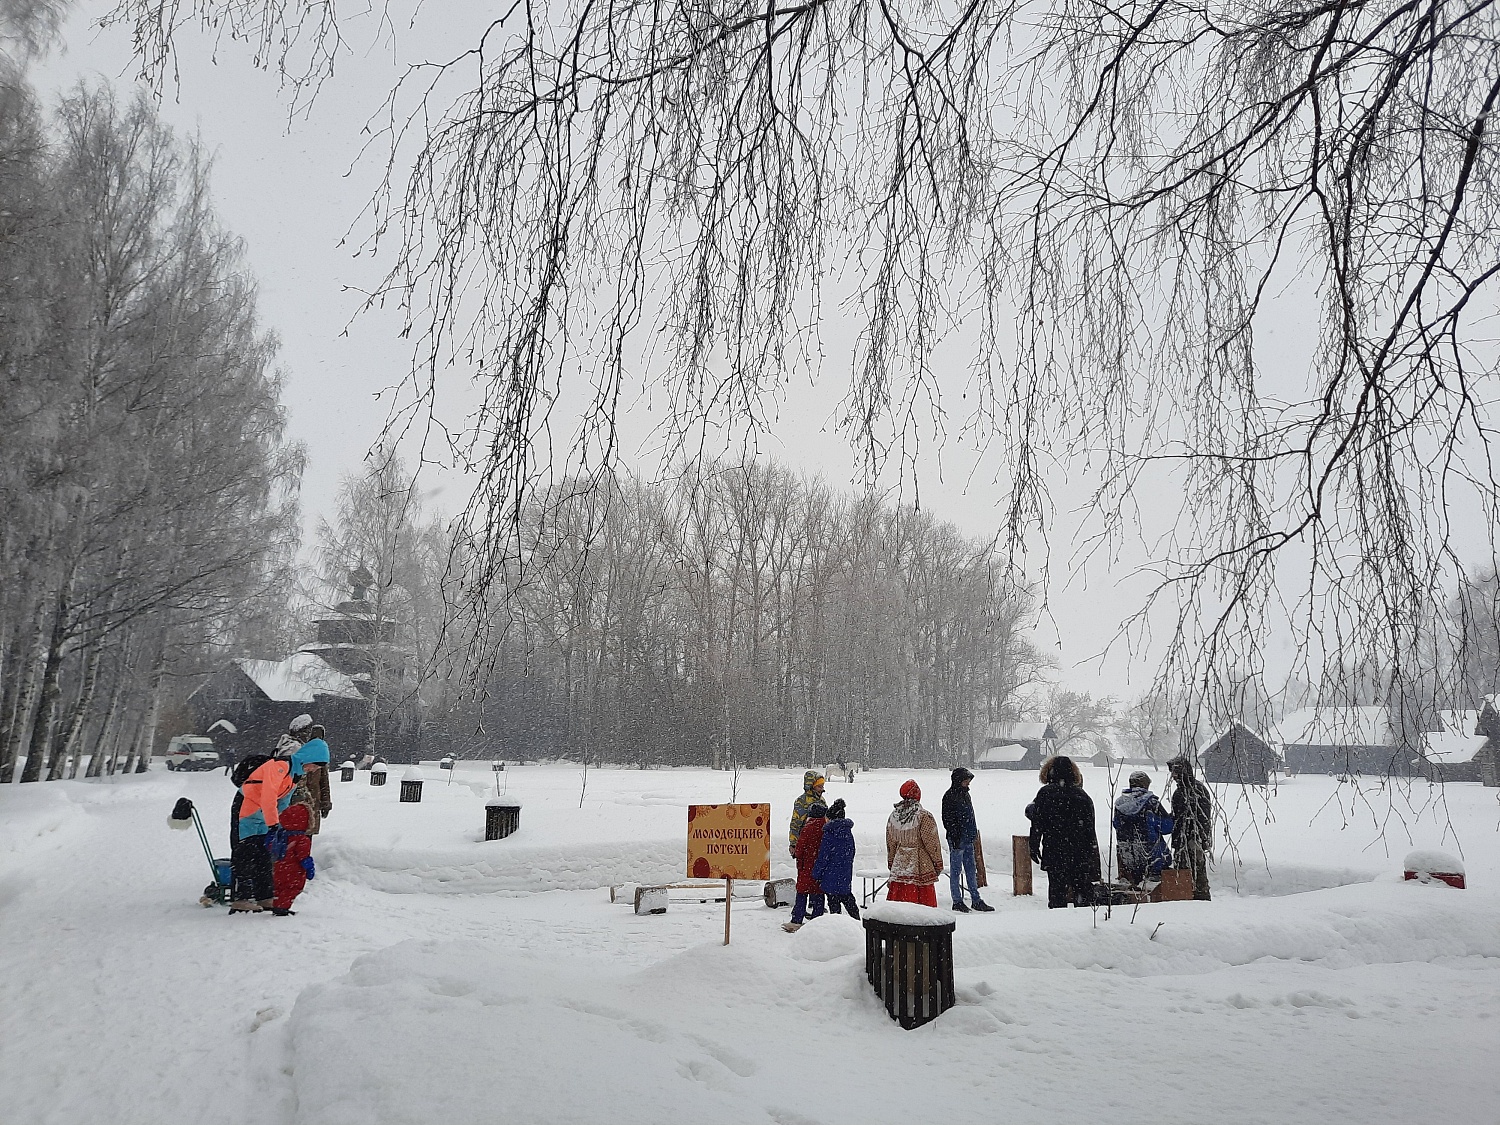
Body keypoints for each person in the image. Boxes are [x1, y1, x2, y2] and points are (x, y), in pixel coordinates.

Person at [1028, 755, 1102, 908]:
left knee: (1057, 894)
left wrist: (1033, 846)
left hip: (1054, 851)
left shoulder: (1045, 794)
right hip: (1079, 853)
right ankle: (1082, 926)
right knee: (1081, 892)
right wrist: (1091, 854)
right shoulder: (1083, 796)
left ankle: (1058, 925)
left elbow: (1037, 824)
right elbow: (1090, 830)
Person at [230, 755, 294, 913]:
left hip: (262, 812)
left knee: (263, 853)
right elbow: (268, 796)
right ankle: (241, 898)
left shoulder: (292, 774)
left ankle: (264, 896)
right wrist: (273, 820)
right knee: (244, 852)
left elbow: (282, 800)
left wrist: (277, 820)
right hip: (247, 807)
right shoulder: (279, 769)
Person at [941, 767, 994, 913]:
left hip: (968, 838)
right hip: (957, 840)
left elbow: (970, 816)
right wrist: (956, 836)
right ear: (958, 781)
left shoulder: (965, 795)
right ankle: (957, 901)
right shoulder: (949, 796)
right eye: (966, 781)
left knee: (971, 870)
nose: (968, 784)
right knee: (956, 871)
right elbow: (947, 820)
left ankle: (976, 899)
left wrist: (972, 834)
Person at [885, 780, 944, 907]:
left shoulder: (894, 816)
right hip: (919, 864)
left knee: (899, 902)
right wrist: (937, 863)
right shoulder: (924, 816)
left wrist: (892, 862)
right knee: (921, 903)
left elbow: (891, 843)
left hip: (899, 864)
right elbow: (932, 843)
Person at [1112, 771, 1174, 887]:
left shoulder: (1119, 804)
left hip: (1129, 858)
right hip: (1153, 857)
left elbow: (1116, 824)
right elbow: (1166, 827)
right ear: (1145, 785)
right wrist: (1171, 817)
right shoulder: (1151, 803)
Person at [1168, 755, 1214, 900]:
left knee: (1196, 873)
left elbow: (1204, 817)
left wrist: (1200, 838)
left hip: (1194, 839)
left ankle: (1199, 899)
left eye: (1176, 772)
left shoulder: (1196, 790)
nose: (1174, 776)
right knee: (1184, 874)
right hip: (1183, 840)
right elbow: (1177, 816)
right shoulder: (1179, 792)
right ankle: (1188, 898)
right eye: (1172, 773)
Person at [783, 803, 828, 932]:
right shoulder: (825, 827)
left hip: (806, 867)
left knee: (802, 893)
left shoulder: (808, 827)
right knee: (819, 894)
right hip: (819, 867)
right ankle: (817, 920)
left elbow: (800, 848)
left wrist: (796, 853)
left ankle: (797, 920)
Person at [812, 798, 859, 919]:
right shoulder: (848, 833)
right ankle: (857, 922)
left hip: (830, 875)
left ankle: (837, 926)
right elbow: (851, 852)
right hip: (845, 873)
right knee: (848, 899)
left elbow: (823, 857)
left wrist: (816, 874)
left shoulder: (829, 834)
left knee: (834, 905)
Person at [268, 801, 316, 916]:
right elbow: (303, 856)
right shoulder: (302, 839)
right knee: (292, 888)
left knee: (280, 887)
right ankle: (282, 908)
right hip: (294, 870)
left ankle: (277, 905)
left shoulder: (281, 835)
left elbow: (270, 846)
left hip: (279, 867)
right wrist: (309, 868)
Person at [289, 720, 333, 835]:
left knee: (304, 832)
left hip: (312, 799)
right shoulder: (301, 753)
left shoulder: (320, 757)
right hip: (303, 800)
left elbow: (324, 782)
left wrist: (325, 802)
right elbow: (324, 783)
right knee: (299, 833)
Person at [788, 770, 827, 856]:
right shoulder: (802, 801)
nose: (822, 789)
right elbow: (796, 823)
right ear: (811, 786)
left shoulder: (821, 800)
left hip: (820, 842)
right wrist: (793, 843)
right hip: (807, 842)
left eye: (822, 786)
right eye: (819, 787)